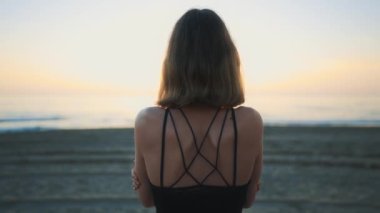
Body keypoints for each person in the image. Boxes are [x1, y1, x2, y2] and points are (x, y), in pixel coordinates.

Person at [131, 8, 263, 213]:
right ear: (227, 60)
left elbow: (147, 199)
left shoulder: (148, 121)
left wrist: (136, 173)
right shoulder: (249, 121)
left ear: (174, 61)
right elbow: (247, 201)